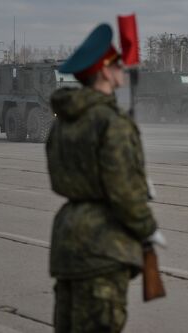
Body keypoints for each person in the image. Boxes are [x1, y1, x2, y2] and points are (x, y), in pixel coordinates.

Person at [46, 23, 159, 333]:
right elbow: (123, 193)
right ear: (105, 72)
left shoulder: (65, 121)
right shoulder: (111, 123)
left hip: (67, 240)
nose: (123, 68)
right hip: (102, 247)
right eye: (117, 64)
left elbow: (61, 178)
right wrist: (147, 228)